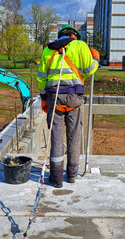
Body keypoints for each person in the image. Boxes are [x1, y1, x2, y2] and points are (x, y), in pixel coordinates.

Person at [37, 24, 99, 188]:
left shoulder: (48, 50)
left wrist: (44, 99)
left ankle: (56, 178)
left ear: (61, 36)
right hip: (74, 99)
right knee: (74, 136)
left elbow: (42, 77)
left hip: (54, 97)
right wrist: (96, 59)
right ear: (74, 35)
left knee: (56, 138)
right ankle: (71, 175)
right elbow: (89, 69)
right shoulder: (80, 45)